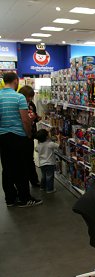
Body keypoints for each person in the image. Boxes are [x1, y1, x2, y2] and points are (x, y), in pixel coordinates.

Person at [0, 72, 42, 207]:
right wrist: (29, 134)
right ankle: (24, 198)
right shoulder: (19, 97)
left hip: (3, 137)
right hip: (18, 137)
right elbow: (25, 120)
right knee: (21, 168)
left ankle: (10, 199)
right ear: (16, 81)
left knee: (6, 168)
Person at [18, 85, 40, 188]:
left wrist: (36, 118)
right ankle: (24, 184)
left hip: (30, 134)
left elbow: (34, 117)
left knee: (30, 160)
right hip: (22, 134)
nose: (30, 99)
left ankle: (34, 181)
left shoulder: (31, 104)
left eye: (31, 97)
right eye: (28, 96)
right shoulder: (19, 103)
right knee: (23, 161)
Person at [35, 129, 59, 193]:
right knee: (50, 176)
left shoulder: (38, 145)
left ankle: (42, 187)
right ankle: (49, 189)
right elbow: (58, 146)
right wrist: (59, 139)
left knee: (43, 176)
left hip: (42, 164)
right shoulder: (50, 144)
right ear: (47, 136)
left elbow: (36, 150)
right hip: (50, 163)